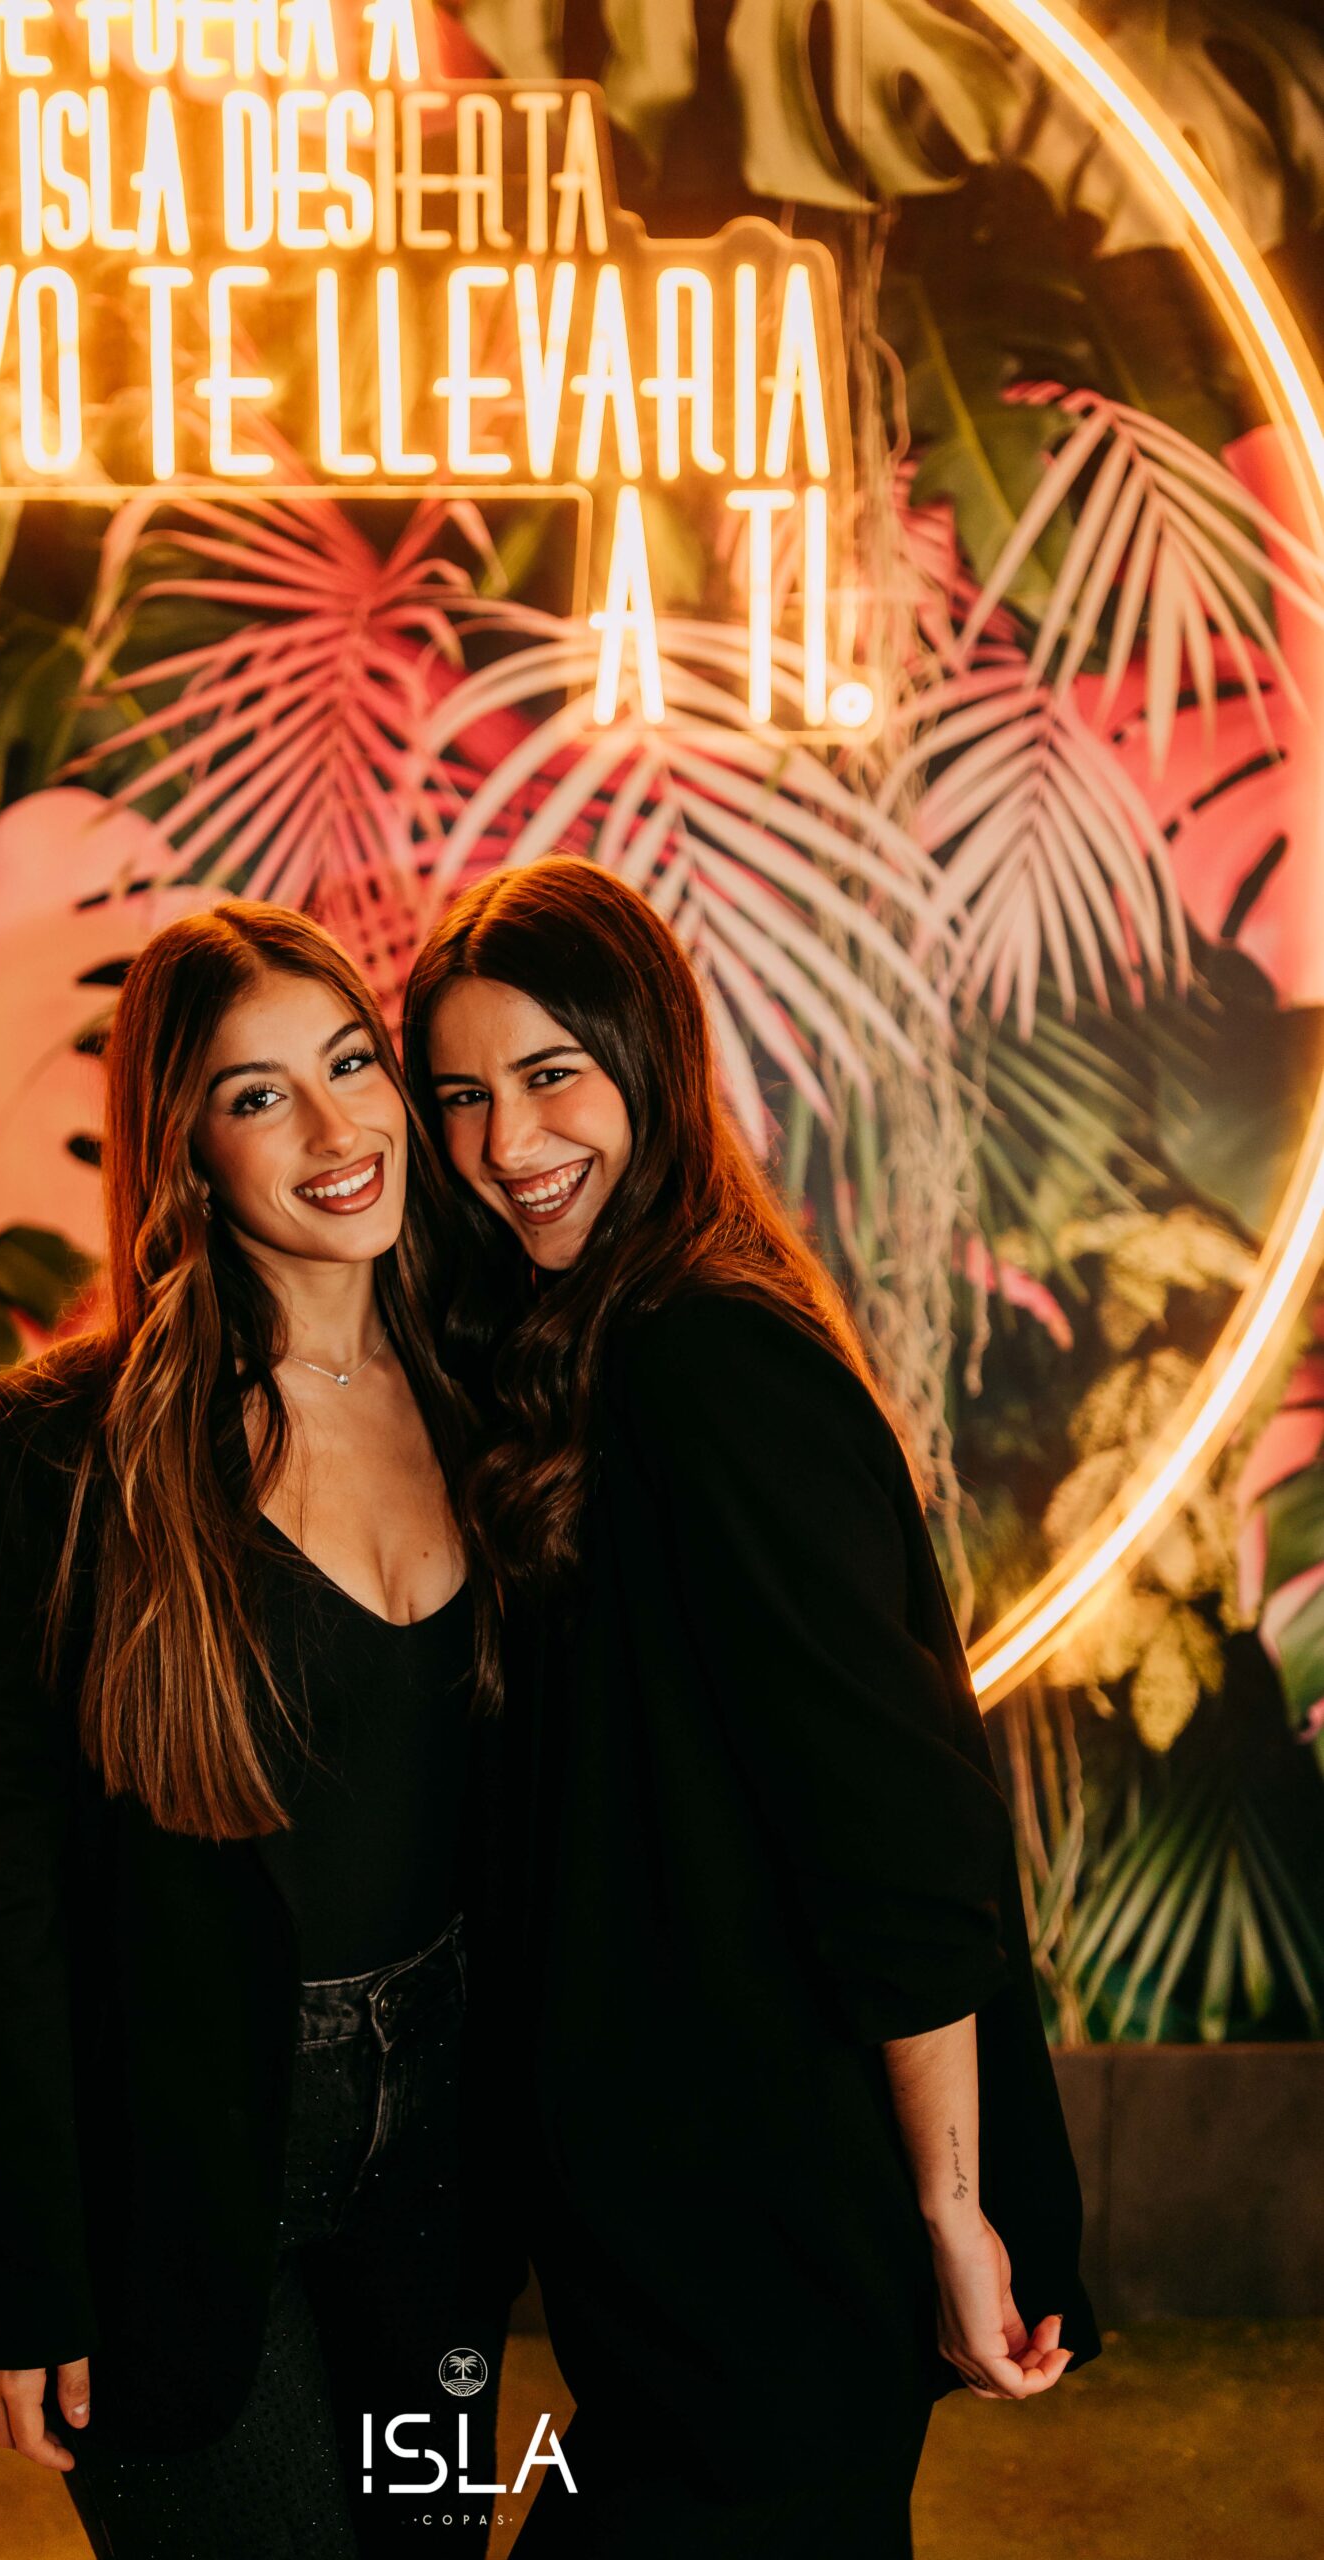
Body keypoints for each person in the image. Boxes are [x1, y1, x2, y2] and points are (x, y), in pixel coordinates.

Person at [402, 856, 1101, 2560]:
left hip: (777, 2206)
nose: (505, 1144)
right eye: (463, 1097)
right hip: (681, 2204)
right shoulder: (593, 1337)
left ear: (653, 1058)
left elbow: (901, 1830)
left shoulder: (707, 1354)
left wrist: (954, 2213)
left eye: (553, 1075)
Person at [0, 901, 521, 2560]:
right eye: (260, 1096)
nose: (336, 1129)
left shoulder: (491, 1383)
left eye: (351, 1065)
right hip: (181, 2155)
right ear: (186, 1150)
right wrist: (14, 2278)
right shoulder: (70, 1449)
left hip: (443, 2153)